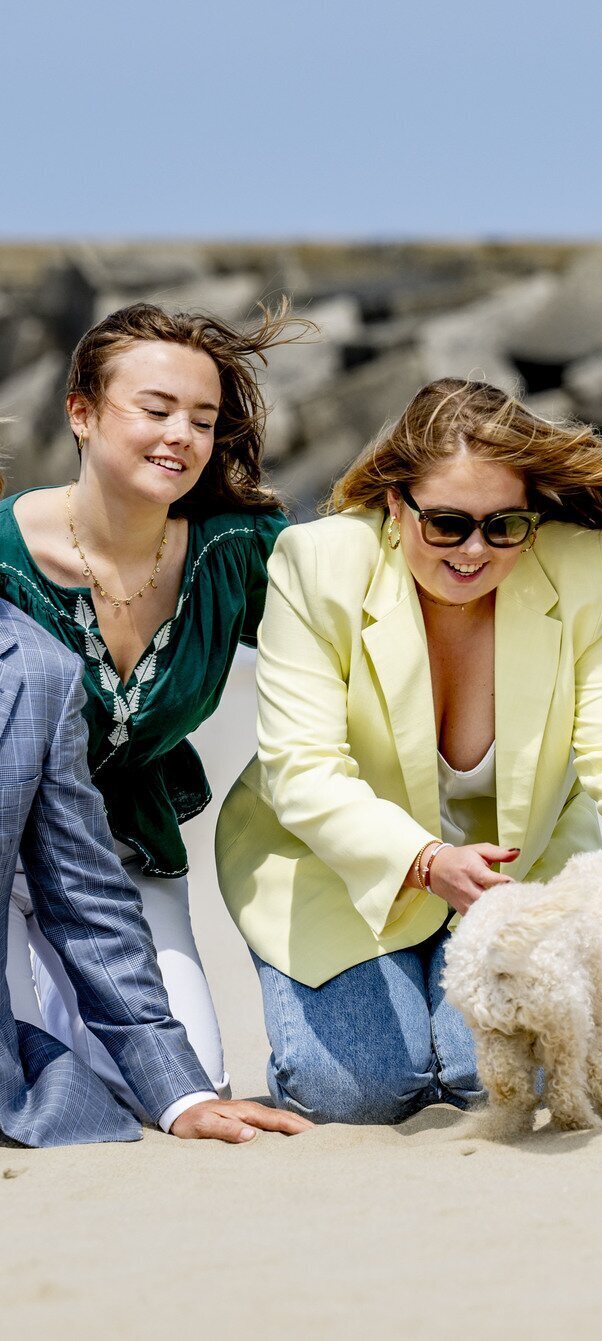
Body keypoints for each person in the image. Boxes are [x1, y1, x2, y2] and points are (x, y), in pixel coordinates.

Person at [216, 377, 602, 1124]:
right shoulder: (316, 565)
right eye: (447, 524)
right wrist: (428, 863)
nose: (476, 549)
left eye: (505, 525)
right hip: (331, 870)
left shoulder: (576, 564)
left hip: (516, 882)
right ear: (396, 504)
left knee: (491, 1083)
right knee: (359, 1094)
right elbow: (301, 771)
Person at [0, 301, 304, 1111]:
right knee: (22, 1083)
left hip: (126, 856)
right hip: (6, 854)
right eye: (156, 409)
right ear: (82, 413)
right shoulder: (4, 555)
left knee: (185, 1087)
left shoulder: (235, 547)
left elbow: (362, 624)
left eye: (202, 420)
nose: (182, 436)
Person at [0, 595, 312, 1146]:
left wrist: (180, 1095)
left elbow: (81, 891)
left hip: (76, 874)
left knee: (196, 1080)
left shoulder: (38, 670)